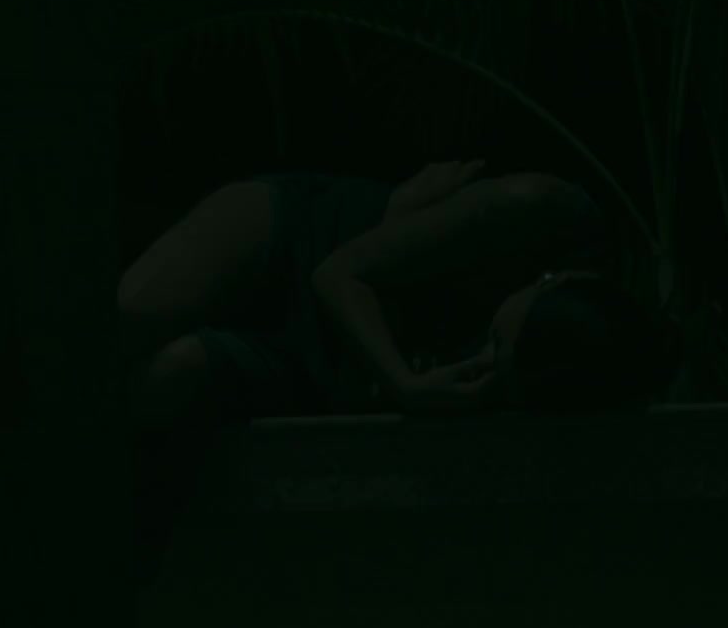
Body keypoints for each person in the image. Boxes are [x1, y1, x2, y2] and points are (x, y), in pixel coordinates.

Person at [119, 160, 680, 579]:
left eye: (501, 372)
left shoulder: (578, 369)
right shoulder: (536, 212)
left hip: (333, 361)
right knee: (129, 320)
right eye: (494, 341)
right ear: (547, 281)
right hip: (306, 241)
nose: (486, 361)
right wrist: (406, 384)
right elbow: (339, 272)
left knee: (172, 376)